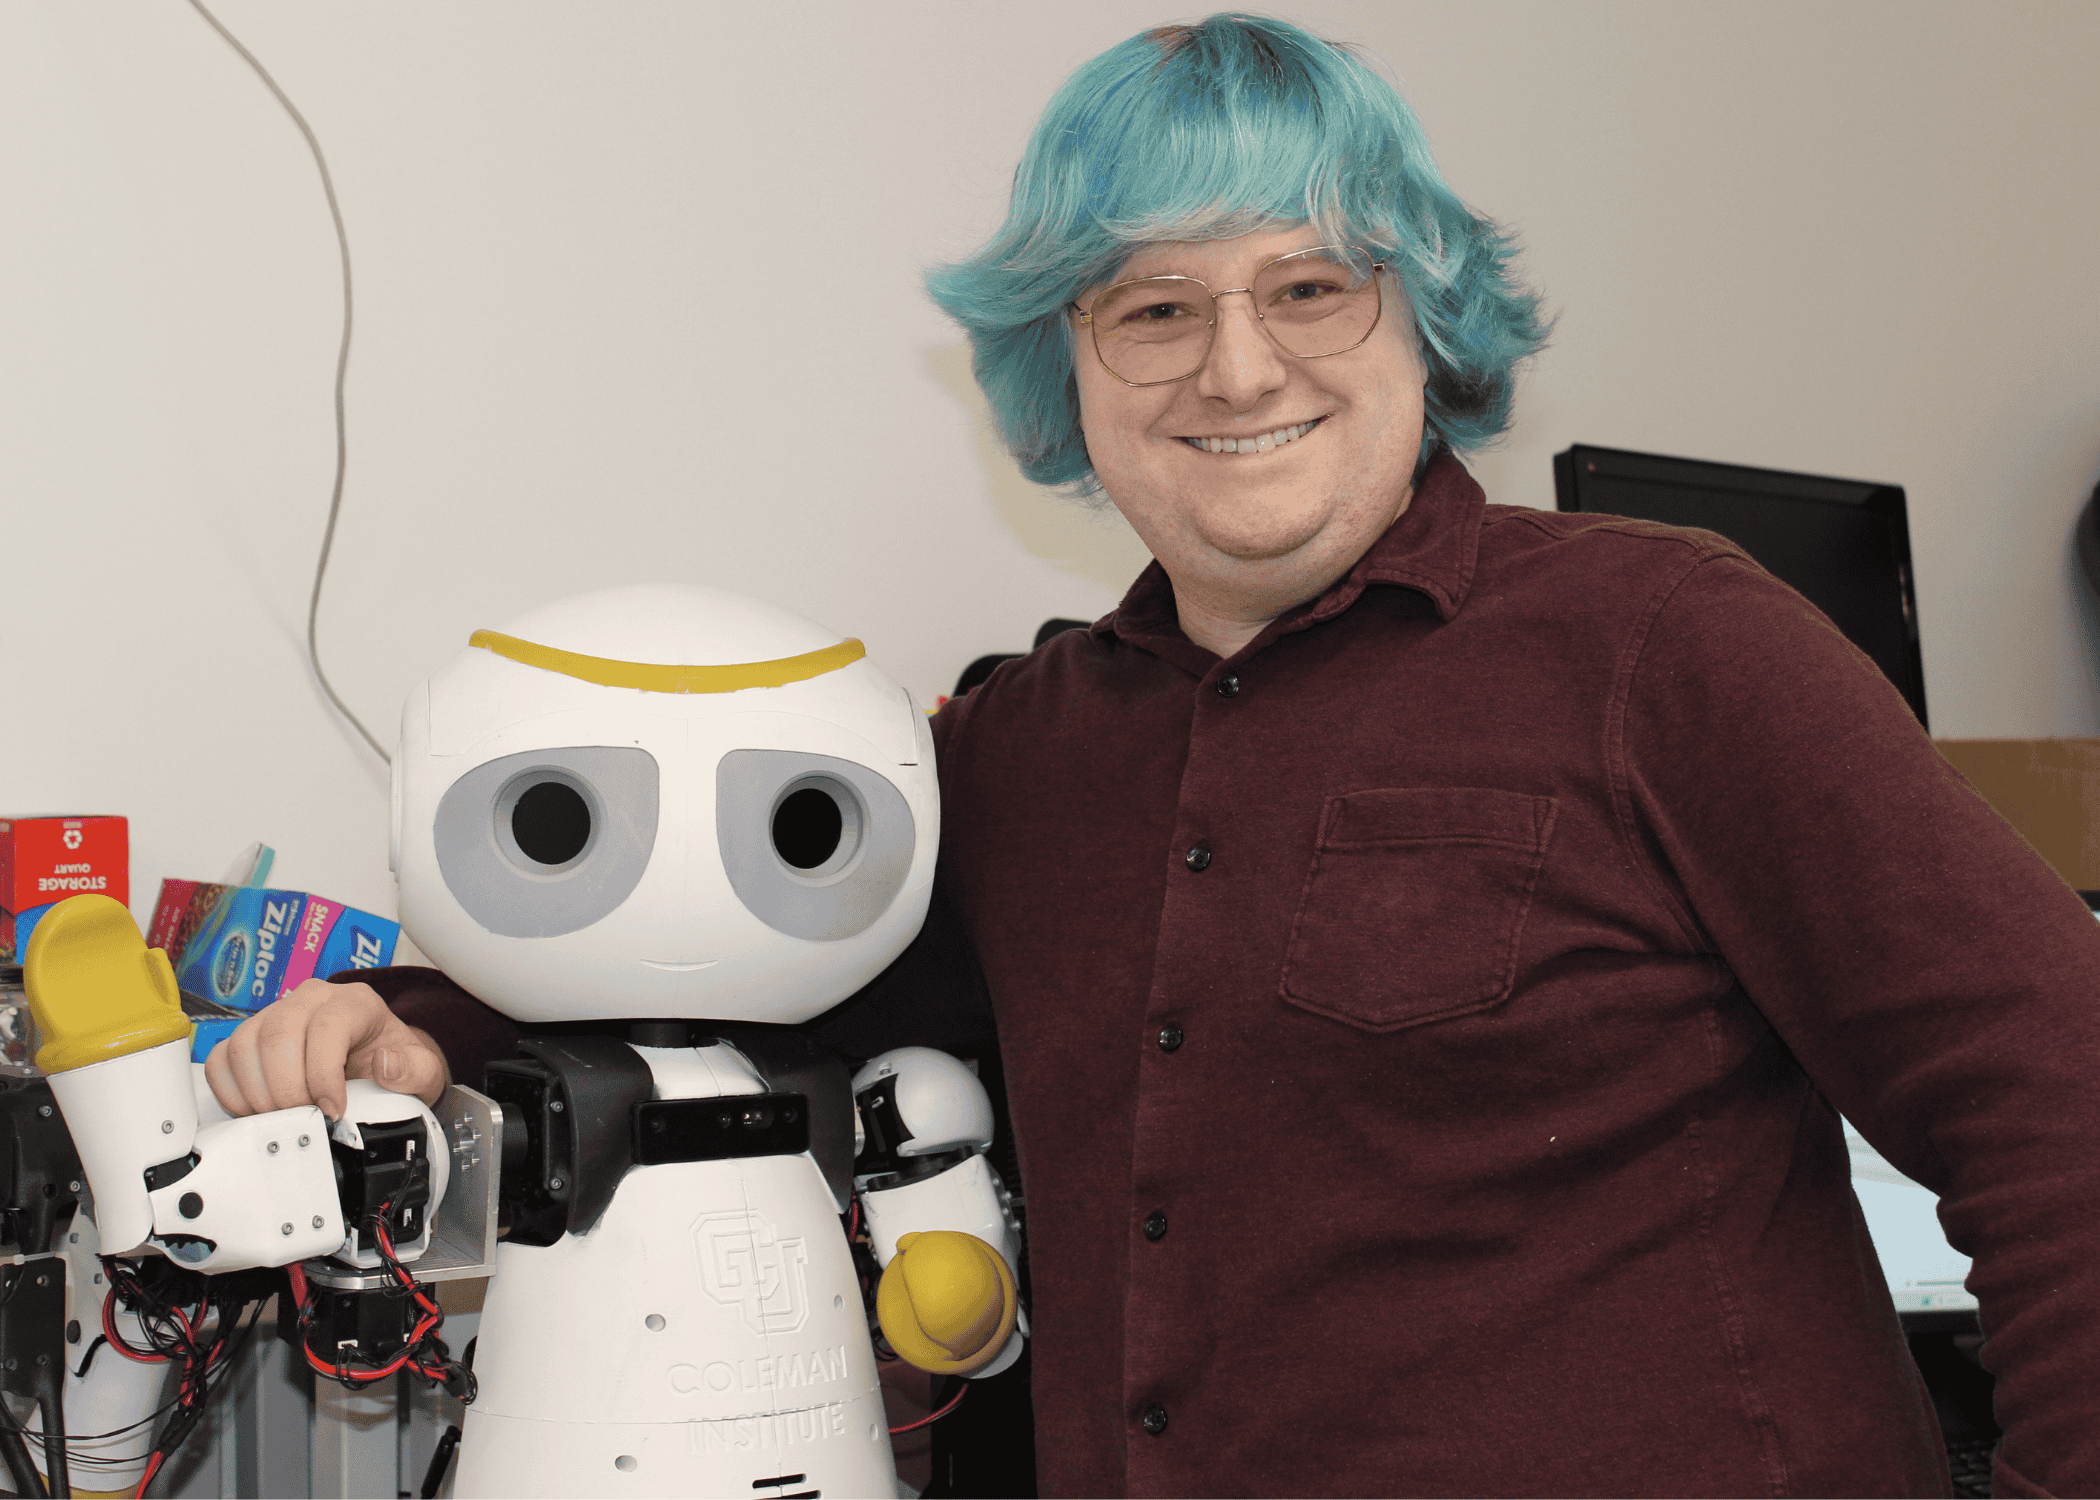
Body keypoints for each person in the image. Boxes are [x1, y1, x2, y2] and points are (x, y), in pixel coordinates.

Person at [211, 15, 2100, 1497]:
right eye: (1155, 307)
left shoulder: (1668, 642)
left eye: (1308, 286)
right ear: (1069, 367)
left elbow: (2057, 1102)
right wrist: (422, 1023)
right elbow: (776, 992)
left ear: (1424, 320)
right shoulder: (1022, 751)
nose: (1239, 369)